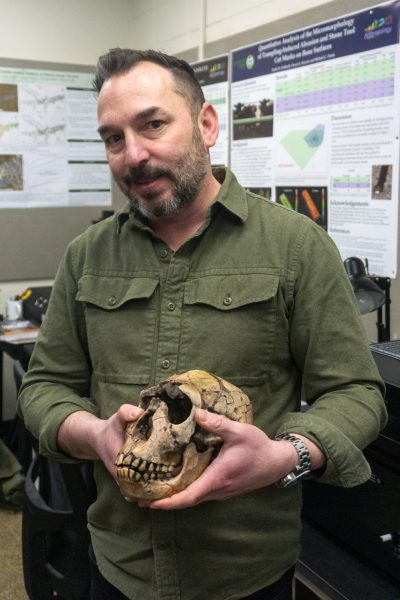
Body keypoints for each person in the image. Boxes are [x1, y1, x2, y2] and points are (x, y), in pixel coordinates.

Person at [17, 48, 387, 600]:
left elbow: (356, 393)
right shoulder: (86, 257)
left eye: (153, 124)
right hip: (118, 567)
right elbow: (44, 388)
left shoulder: (295, 247)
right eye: (113, 138)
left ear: (206, 124)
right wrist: (94, 434)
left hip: (245, 574)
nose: (133, 155)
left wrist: (284, 456)